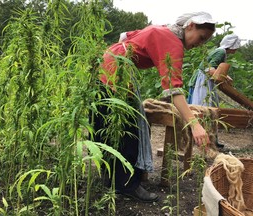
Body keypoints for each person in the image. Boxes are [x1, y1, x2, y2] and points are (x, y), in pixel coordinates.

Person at [91, 12, 216, 202]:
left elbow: (125, 36)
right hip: (117, 74)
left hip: (105, 68)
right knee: (130, 131)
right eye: (201, 38)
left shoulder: (161, 29)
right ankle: (127, 186)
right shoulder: (173, 41)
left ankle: (111, 179)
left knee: (108, 125)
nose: (200, 43)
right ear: (190, 26)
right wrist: (195, 124)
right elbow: (173, 89)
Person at [187, 33, 241, 148]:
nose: (236, 49)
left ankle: (211, 139)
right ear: (232, 45)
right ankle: (202, 139)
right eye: (236, 46)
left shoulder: (221, 51)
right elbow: (208, 68)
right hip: (203, 81)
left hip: (206, 80)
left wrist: (226, 76)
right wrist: (224, 78)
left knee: (211, 109)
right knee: (205, 109)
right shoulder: (221, 52)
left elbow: (215, 68)